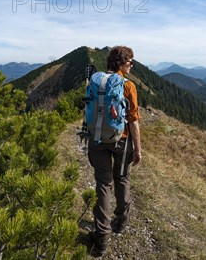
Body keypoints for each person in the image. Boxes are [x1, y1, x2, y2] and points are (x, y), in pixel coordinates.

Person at [88, 46, 142, 257]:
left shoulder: (96, 81)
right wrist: (138, 149)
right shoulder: (128, 86)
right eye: (130, 61)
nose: (132, 65)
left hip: (97, 138)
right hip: (122, 140)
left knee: (103, 184)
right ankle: (120, 221)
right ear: (121, 63)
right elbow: (133, 120)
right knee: (122, 179)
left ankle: (101, 237)